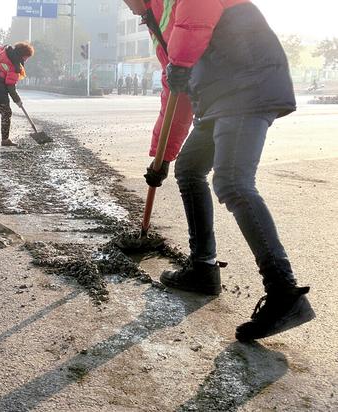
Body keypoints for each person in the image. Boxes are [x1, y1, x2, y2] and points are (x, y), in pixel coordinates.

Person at [124, 0, 315, 341]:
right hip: (219, 96)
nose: (126, 7)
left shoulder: (172, 6)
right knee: (189, 168)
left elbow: (198, 17)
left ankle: (284, 292)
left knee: (232, 181)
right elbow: (175, 94)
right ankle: (203, 268)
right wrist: (162, 158)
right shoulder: (157, 21)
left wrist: (180, 62)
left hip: (247, 82)